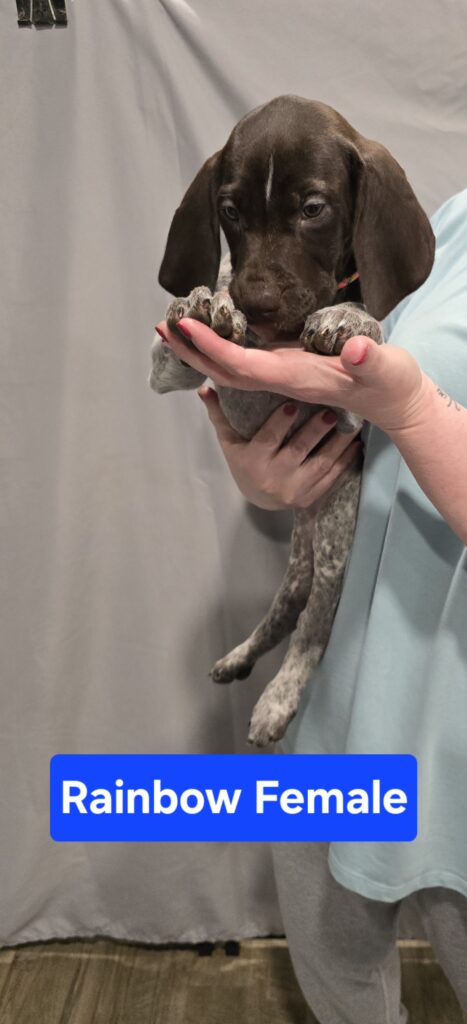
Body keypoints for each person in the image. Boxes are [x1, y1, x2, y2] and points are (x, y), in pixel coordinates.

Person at [155, 190, 467, 1023]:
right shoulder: (448, 223)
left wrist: (408, 408)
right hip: (337, 682)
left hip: (453, 717)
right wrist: (269, 464)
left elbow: (401, 402)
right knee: (336, 979)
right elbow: (358, 429)